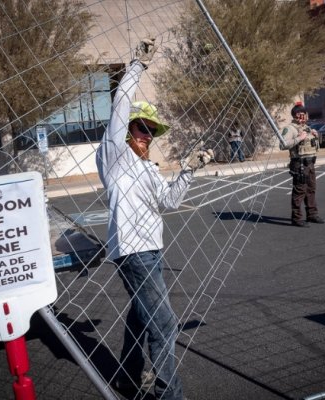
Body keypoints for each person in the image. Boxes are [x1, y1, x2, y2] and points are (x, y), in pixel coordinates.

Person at [96, 38, 213, 400]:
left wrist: (188, 170)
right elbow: (119, 105)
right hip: (134, 251)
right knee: (162, 323)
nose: (148, 135)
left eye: (152, 130)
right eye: (142, 127)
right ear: (128, 128)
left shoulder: (146, 167)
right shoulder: (115, 155)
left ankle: (127, 377)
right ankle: (169, 394)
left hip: (152, 250)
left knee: (140, 315)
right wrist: (137, 67)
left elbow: (170, 201)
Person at [280, 102, 324, 228]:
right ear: (294, 116)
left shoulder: (307, 128)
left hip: (310, 163)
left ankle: (312, 215)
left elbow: (314, 145)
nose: (302, 117)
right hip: (299, 164)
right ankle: (297, 218)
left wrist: (316, 135)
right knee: (299, 192)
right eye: (299, 115)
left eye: (303, 114)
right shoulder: (290, 129)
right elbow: (282, 145)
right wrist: (299, 138)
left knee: (311, 190)